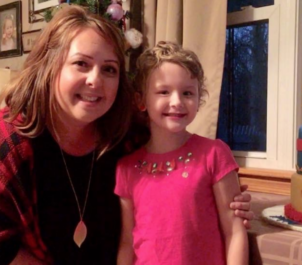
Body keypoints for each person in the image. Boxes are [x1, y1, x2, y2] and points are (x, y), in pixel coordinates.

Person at [0, 5, 253, 265]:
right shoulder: (9, 141)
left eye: (109, 69)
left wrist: (229, 199)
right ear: (49, 66)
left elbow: (182, 182)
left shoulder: (127, 134)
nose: (95, 81)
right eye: (81, 64)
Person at [115, 41, 249, 265]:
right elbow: (127, 243)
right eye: (163, 92)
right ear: (141, 101)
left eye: (187, 92)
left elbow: (234, 232)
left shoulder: (214, 154)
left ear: (199, 98)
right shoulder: (126, 168)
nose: (176, 102)